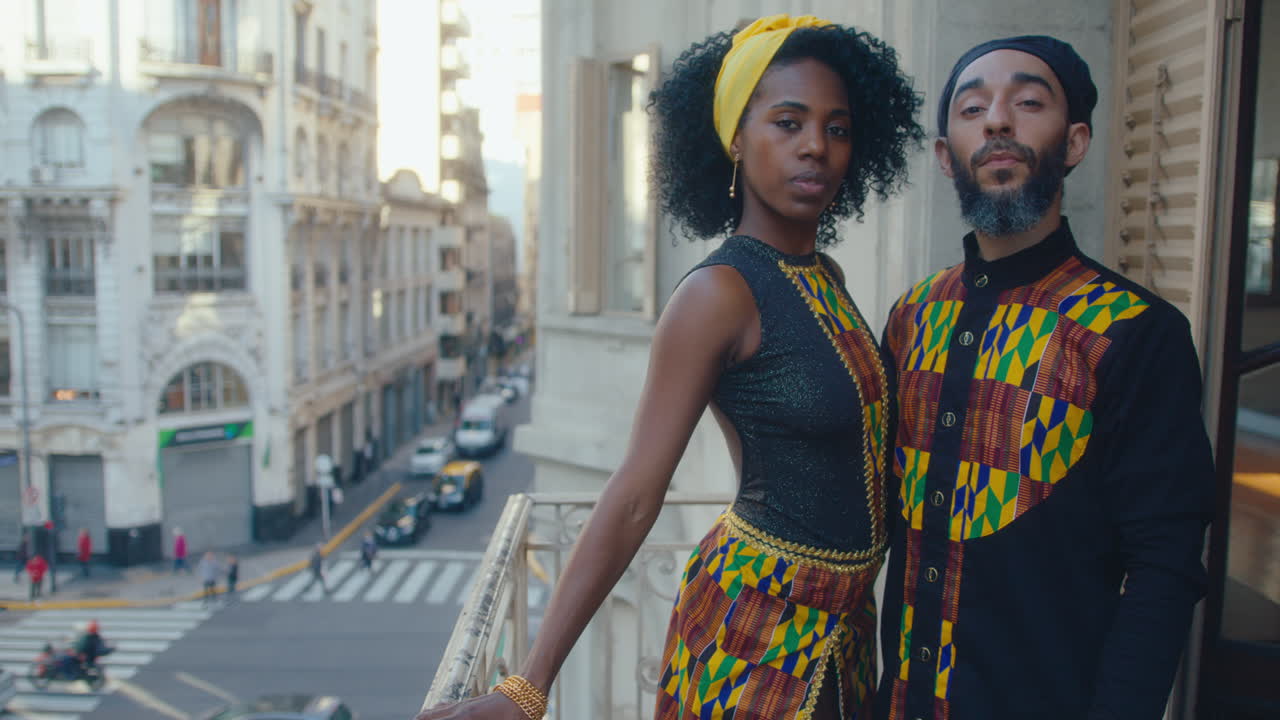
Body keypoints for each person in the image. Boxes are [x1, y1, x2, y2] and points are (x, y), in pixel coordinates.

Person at [415, 13, 922, 720]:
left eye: (837, 128)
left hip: (843, 632)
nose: (816, 146)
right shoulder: (717, 293)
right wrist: (527, 688)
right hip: (753, 631)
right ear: (736, 140)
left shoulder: (823, 276)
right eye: (788, 122)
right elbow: (632, 493)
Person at [873, 36, 1214, 720]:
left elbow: (1164, 570)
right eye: (973, 109)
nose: (999, 121)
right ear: (946, 156)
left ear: (1075, 141)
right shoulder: (912, 316)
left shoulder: (1134, 331)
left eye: (1029, 102)